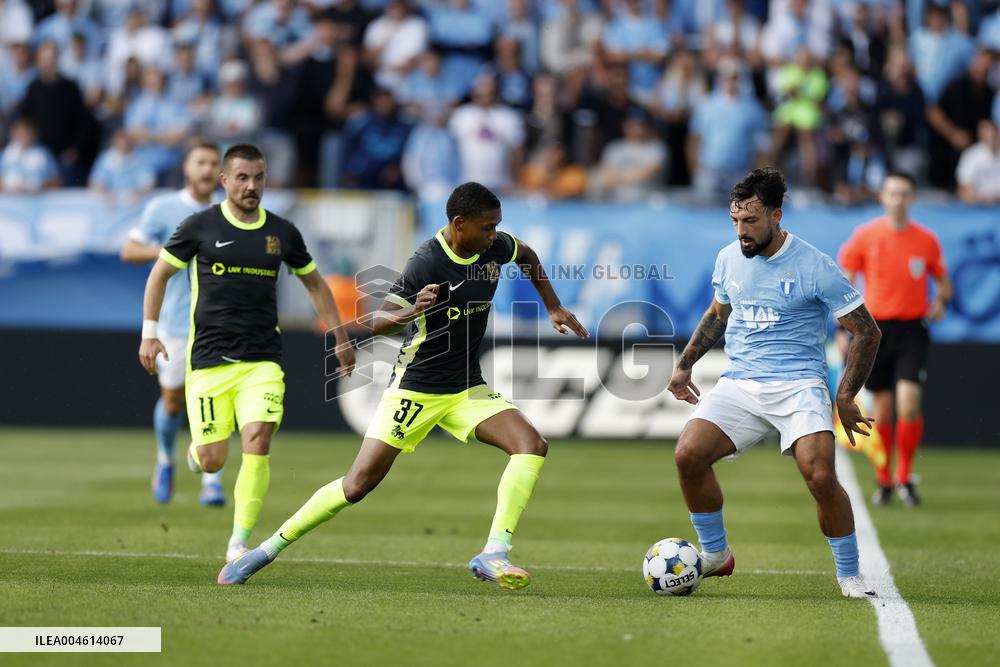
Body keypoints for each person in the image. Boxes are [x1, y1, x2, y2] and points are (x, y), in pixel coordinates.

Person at [217, 182, 589, 589]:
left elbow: (528, 255)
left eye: (497, 226)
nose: (495, 235)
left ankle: (494, 552)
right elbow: (377, 322)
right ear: (458, 224)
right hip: (416, 388)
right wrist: (414, 309)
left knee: (531, 445)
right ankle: (264, 551)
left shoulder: (495, 247)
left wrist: (552, 304)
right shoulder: (425, 264)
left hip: (466, 388)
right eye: (487, 227)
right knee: (357, 485)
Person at [667, 167, 882, 600]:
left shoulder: (815, 266)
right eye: (735, 221)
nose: (741, 231)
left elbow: (867, 331)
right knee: (688, 455)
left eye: (750, 222)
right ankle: (715, 555)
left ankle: (850, 574)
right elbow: (717, 315)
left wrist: (845, 395)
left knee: (820, 476)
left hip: (799, 385)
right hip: (741, 383)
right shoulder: (729, 258)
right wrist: (685, 365)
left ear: (776, 216)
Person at [137, 143, 356, 561]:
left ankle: (239, 541)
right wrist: (150, 333)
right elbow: (158, 275)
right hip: (208, 362)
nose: (251, 186)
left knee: (257, 438)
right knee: (214, 460)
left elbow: (315, 283)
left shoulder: (282, 233)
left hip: (262, 361)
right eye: (242, 177)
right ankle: (197, 455)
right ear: (224, 181)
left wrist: (340, 335)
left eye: (258, 178)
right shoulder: (198, 227)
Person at [838, 171, 951, 507]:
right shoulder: (865, 236)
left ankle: (904, 476)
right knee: (883, 412)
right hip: (875, 331)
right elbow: (846, 283)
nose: (897, 199)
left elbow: (944, 282)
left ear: (912, 198)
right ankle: (885, 479)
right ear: (882, 197)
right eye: (891, 193)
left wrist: (941, 303)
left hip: (912, 330)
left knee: (909, 403)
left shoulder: (926, 240)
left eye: (903, 193)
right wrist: (846, 328)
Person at [122, 139, 225, 506]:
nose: (207, 169)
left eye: (214, 163)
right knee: (172, 402)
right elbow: (130, 250)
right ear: (187, 167)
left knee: (217, 401)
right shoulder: (164, 208)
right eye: (201, 162)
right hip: (177, 324)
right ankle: (166, 460)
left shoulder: (230, 212)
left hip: (220, 326)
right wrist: (171, 250)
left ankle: (213, 479)